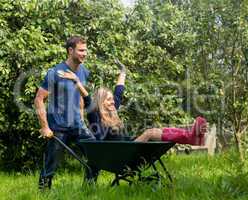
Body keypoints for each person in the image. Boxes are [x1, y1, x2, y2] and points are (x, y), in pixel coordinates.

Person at [59, 60, 207, 145]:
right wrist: (77, 82)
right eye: (108, 99)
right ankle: (191, 137)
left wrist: (123, 72)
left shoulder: (112, 111)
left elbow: (119, 91)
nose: (112, 101)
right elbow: (87, 99)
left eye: (112, 99)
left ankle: (192, 136)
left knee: (161, 129)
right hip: (123, 152)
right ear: (101, 102)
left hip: (129, 146)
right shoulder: (95, 116)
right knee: (150, 132)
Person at [34, 36, 96, 190]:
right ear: (70, 50)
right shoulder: (55, 72)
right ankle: (42, 192)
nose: (85, 53)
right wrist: (44, 127)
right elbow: (39, 99)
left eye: (86, 50)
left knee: (96, 154)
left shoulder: (83, 72)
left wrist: (81, 119)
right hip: (58, 127)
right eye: (81, 50)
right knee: (51, 165)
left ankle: (88, 189)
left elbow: (80, 97)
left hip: (77, 125)